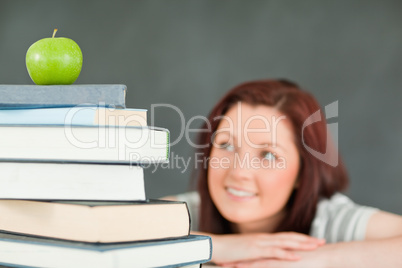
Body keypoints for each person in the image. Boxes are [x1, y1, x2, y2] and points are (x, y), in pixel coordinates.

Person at [165, 79, 402, 267]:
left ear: (302, 173)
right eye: (226, 145)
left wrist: (316, 260)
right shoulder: (188, 213)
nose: (239, 171)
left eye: (268, 155)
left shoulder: (330, 222)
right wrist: (217, 246)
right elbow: (127, 226)